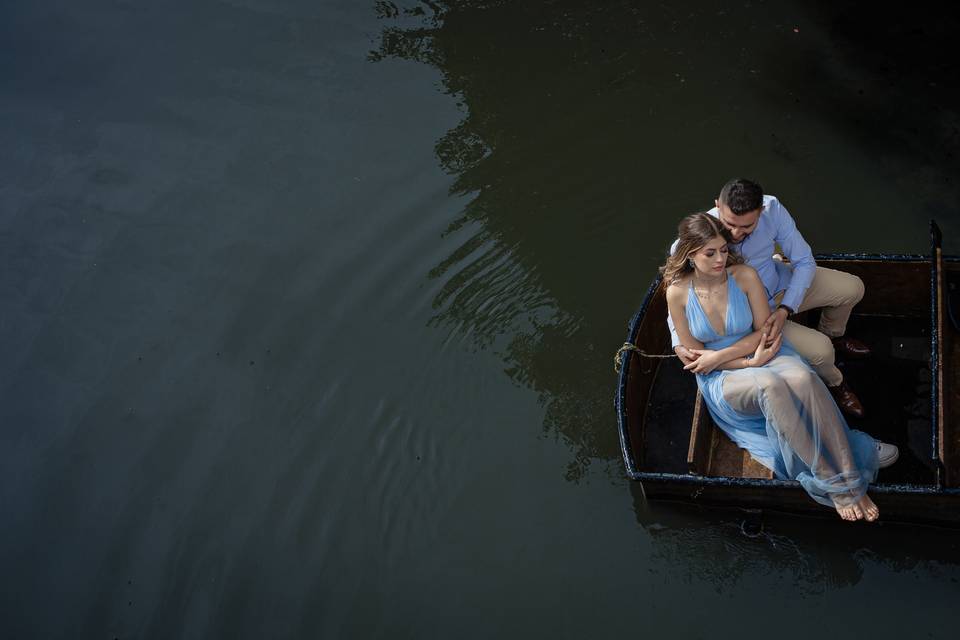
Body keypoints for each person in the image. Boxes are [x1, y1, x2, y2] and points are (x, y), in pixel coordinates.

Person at [663, 213, 898, 521]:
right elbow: (699, 360)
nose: (721, 258)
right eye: (711, 253)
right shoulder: (677, 293)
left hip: (761, 348)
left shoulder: (744, 275)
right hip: (723, 376)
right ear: (690, 254)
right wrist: (745, 363)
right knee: (770, 386)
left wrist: (748, 358)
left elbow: (764, 330)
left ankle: (851, 474)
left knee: (802, 377)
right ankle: (836, 484)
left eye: (723, 250)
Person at [668, 178, 869, 418]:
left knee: (852, 288)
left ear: (760, 212)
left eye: (746, 227)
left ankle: (833, 335)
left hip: (781, 288)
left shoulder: (772, 209)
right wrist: (677, 341)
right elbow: (679, 297)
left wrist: (786, 308)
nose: (734, 234)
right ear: (717, 206)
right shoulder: (693, 242)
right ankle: (837, 384)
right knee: (821, 352)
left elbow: (804, 261)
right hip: (750, 318)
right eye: (730, 223)